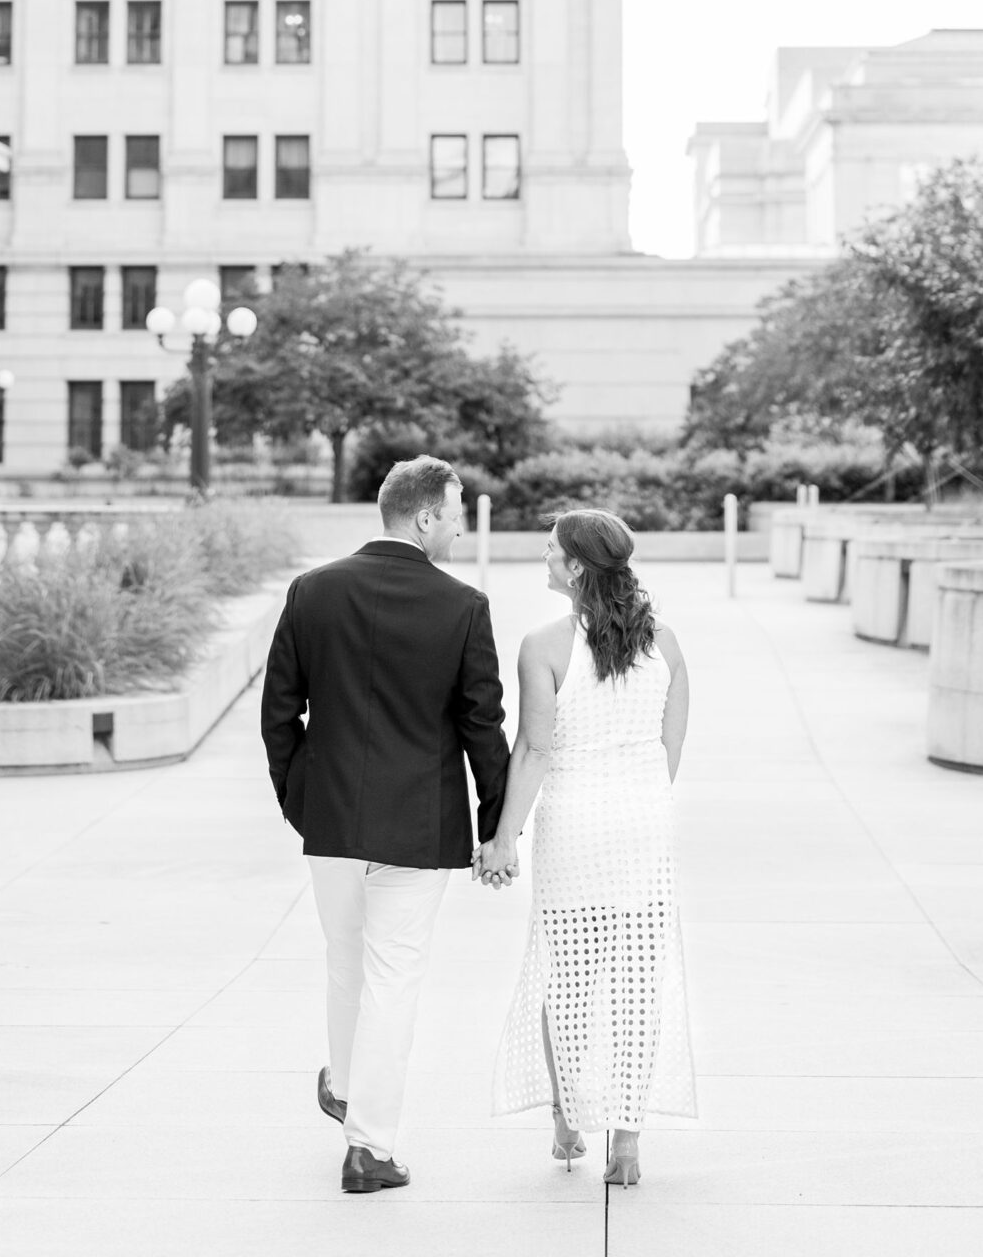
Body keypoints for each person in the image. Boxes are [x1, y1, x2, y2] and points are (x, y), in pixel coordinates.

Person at [260, 454, 512, 1196]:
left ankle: (346, 1091)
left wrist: (298, 799)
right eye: (457, 510)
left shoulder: (313, 591)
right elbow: (482, 729)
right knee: (393, 976)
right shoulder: (463, 607)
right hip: (420, 826)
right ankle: (368, 1146)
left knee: (346, 965)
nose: (462, 526)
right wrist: (494, 826)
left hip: (330, 819)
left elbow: (281, 713)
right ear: (425, 516)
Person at [480, 508, 695, 1187]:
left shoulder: (542, 646)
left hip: (574, 824)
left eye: (550, 550)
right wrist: (638, 802)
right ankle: (627, 1144)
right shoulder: (665, 643)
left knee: (568, 979)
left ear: (575, 566)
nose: (542, 558)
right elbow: (669, 748)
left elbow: (536, 749)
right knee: (636, 984)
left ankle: (568, 1118)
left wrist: (503, 838)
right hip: (643, 824)